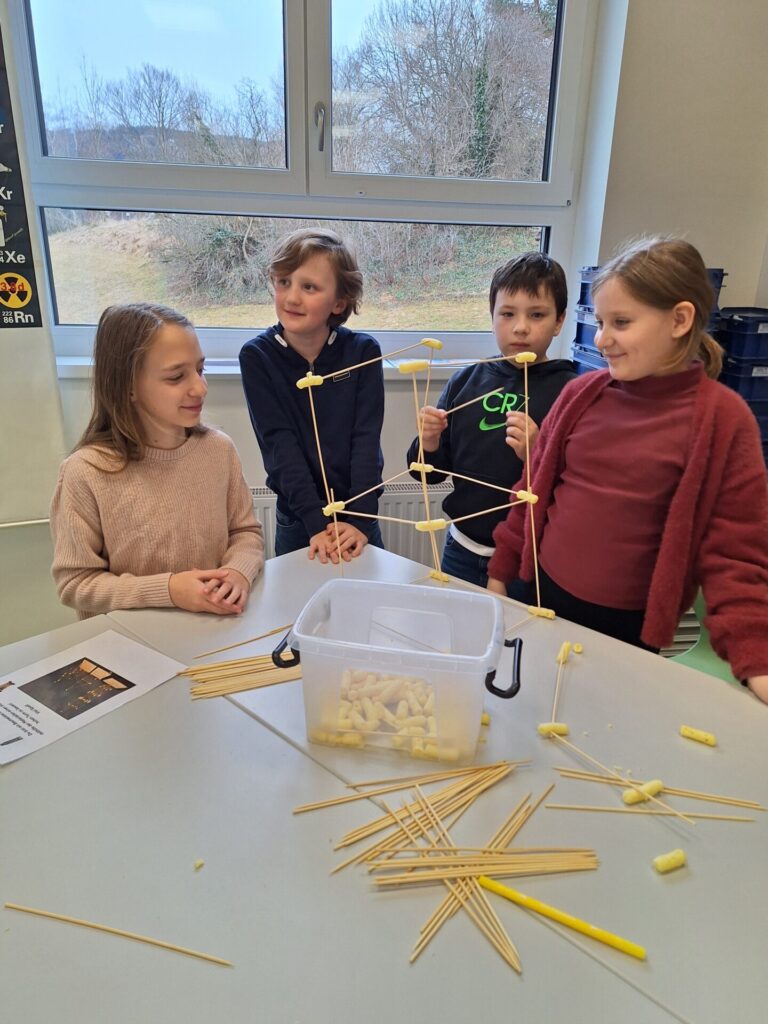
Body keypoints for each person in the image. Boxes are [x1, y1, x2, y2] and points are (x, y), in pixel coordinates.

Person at [487, 237, 768, 701]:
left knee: (606, 717)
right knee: (537, 706)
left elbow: (736, 554)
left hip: (629, 624)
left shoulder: (723, 419)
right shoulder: (582, 394)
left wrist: (756, 660)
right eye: (600, 323)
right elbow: (532, 489)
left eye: (621, 323)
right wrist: (501, 571)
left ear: (679, 320)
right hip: (542, 595)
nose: (601, 338)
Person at [50, 303, 264, 618]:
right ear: (128, 387)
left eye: (200, 369)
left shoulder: (219, 450)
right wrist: (169, 590)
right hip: (129, 640)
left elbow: (245, 534)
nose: (200, 388)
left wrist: (237, 571)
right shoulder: (85, 473)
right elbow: (75, 583)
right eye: (176, 377)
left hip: (212, 630)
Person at [406, 252, 576, 591]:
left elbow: (575, 491)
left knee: (519, 627)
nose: (521, 327)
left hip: (529, 558)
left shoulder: (571, 391)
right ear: (492, 317)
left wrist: (536, 454)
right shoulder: (466, 380)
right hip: (461, 549)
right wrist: (429, 441)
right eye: (508, 314)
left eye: (537, 315)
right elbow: (428, 474)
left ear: (559, 322)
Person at [239, 228, 385, 563]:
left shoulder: (363, 352)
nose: (291, 297)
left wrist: (361, 518)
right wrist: (315, 522)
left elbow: (365, 440)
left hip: (357, 518)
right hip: (299, 519)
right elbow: (279, 446)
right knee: (297, 598)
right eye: (284, 281)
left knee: (366, 594)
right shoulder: (257, 357)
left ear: (339, 302)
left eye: (309, 287)